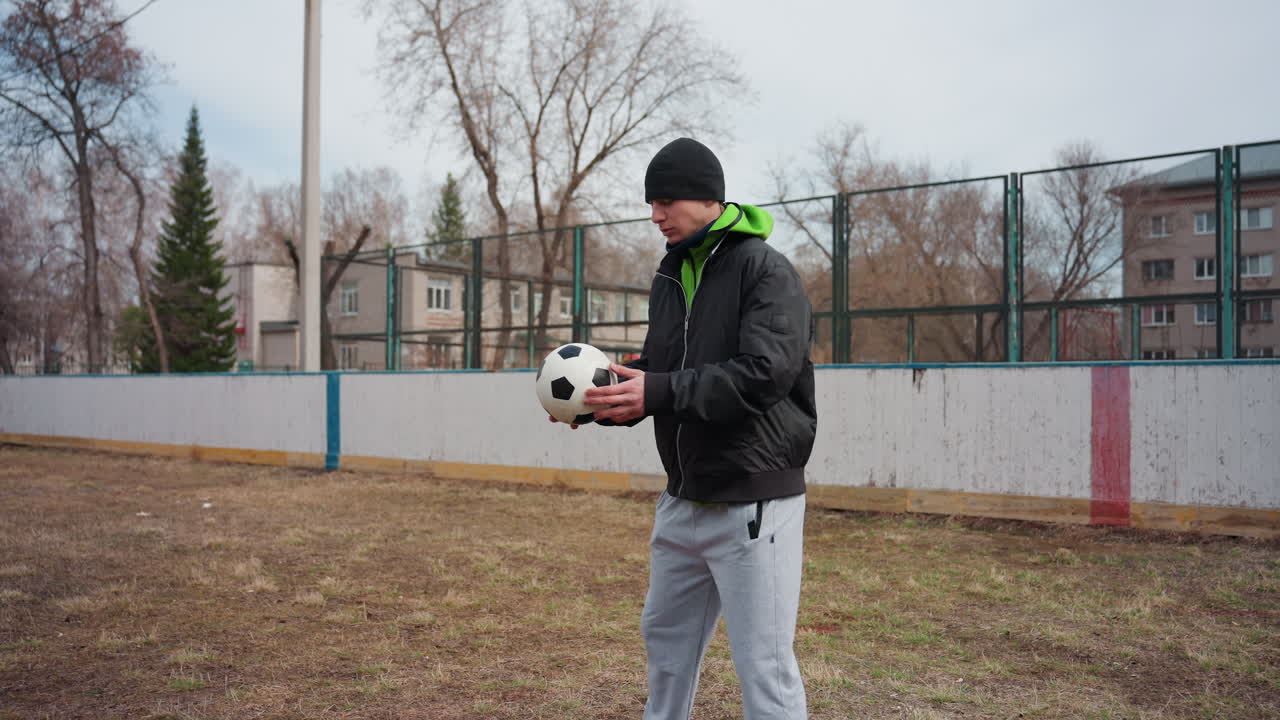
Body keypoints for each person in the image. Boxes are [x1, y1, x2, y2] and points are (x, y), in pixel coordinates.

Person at [564, 137, 817, 719]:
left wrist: (658, 390)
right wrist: (615, 395)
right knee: (666, 648)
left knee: (765, 668)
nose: (655, 216)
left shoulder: (766, 272)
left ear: (706, 199)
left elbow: (763, 375)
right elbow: (669, 372)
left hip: (755, 504)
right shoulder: (670, 273)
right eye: (651, 203)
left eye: (666, 202)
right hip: (682, 499)